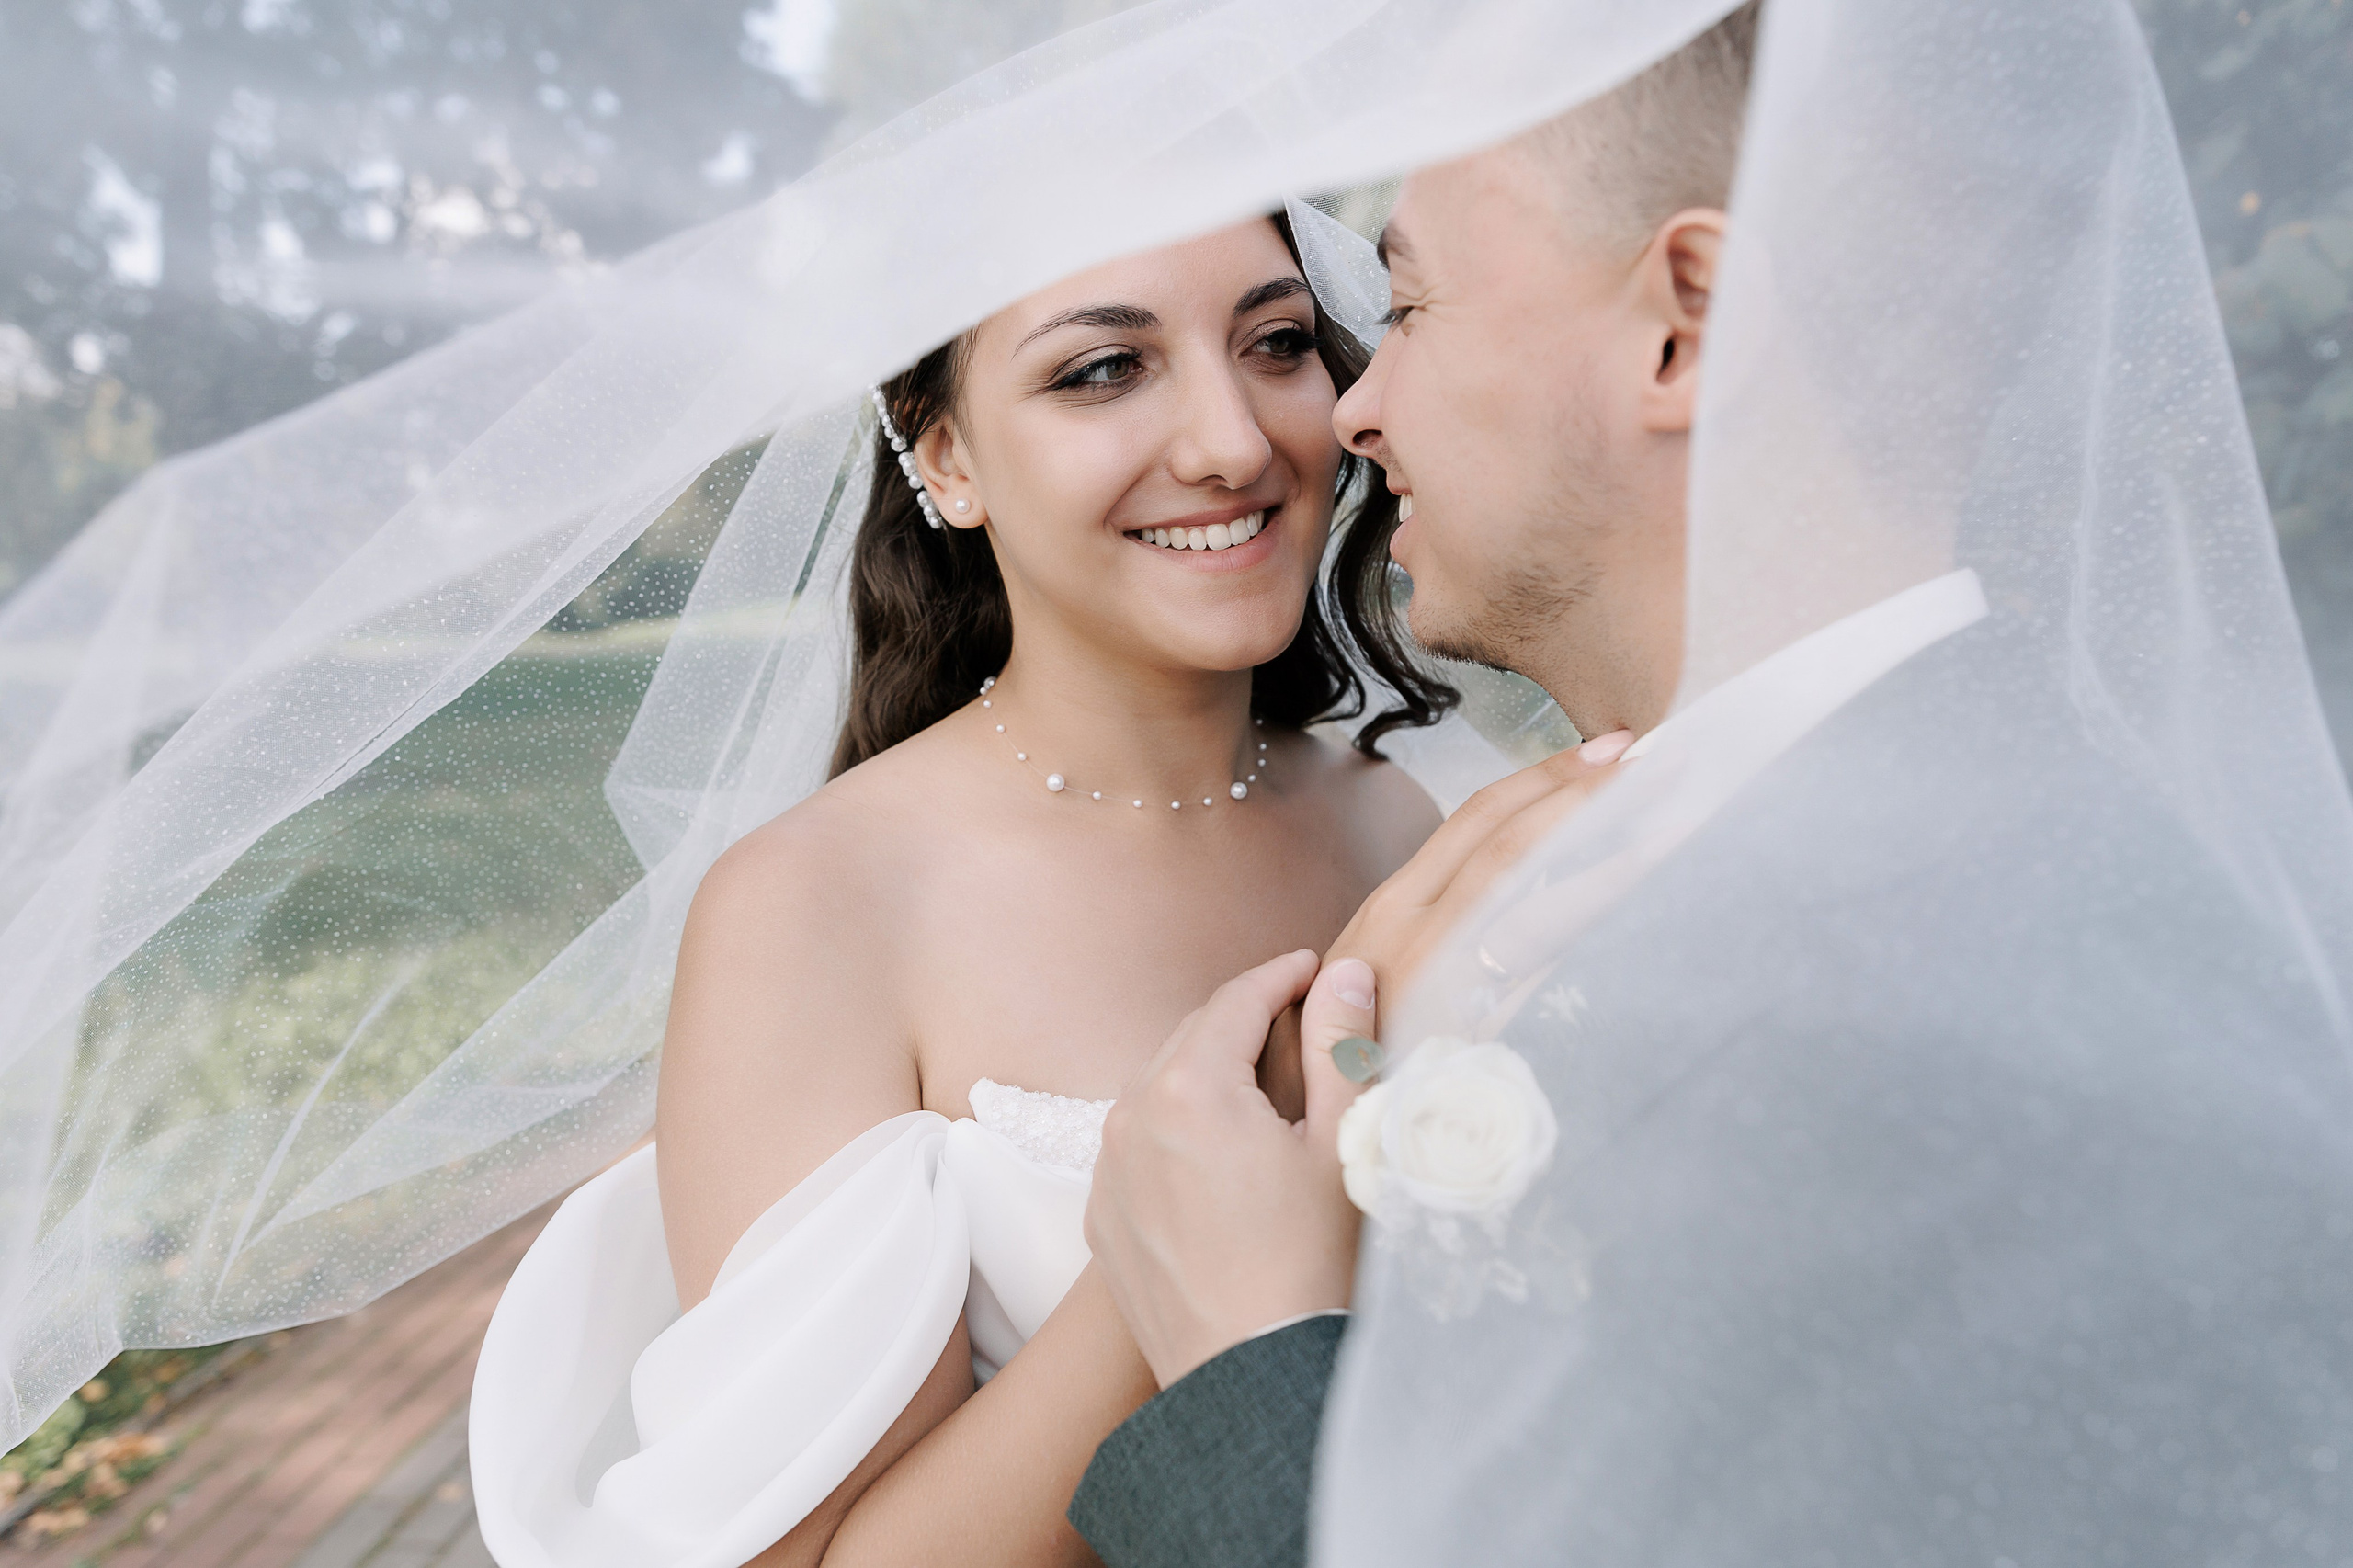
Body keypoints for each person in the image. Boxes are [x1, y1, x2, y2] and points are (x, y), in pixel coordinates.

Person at [1073, 2, 2353, 1563]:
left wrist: (1248, 1351)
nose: (1356, 408)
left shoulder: (1929, 1020)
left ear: (1685, 320)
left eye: (1410, 306)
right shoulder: (1923, 856)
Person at [468, 212, 1457, 1568]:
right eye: (1103, 369)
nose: (1234, 442)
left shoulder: (1398, 821)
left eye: (1277, 342)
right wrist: (1188, 1213)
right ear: (946, 458)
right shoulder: (817, 909)